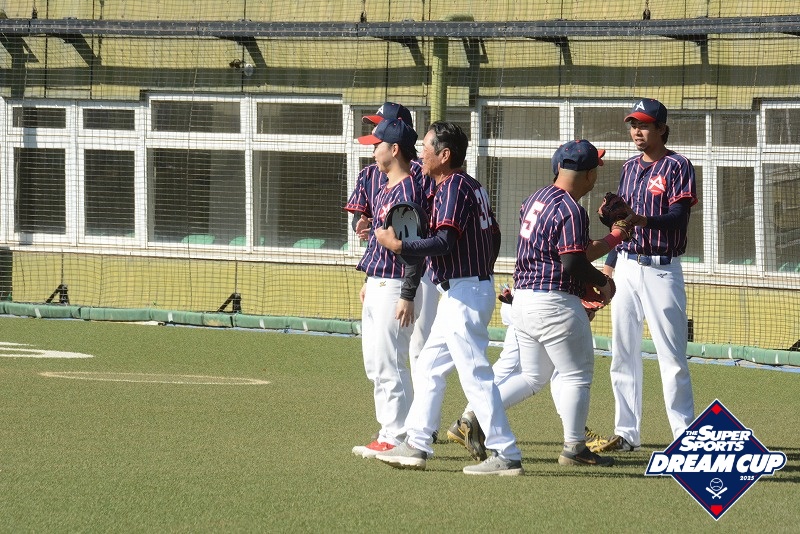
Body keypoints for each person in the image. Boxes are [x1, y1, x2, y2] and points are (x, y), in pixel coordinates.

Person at [372, 121, 524, 475]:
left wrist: (400, 245)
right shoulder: (469, 185)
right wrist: (480, 272)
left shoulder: (453, 186)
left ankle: (506, 452)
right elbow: (494, 235)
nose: (420, 153)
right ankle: (416, 444)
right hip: (464, 289)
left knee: (475, 375)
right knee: (428, 366)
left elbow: (444, 242)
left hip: (465, 292)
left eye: (426, 147)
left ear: (444, 155)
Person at [508, 139, 625, 467]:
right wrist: (602, 282)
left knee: (532, 377)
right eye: (595, 169)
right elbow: (572, 262)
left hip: (524, 299)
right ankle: (575, 447)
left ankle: (473, 416)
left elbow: (574, 252)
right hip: (555, 302)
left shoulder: (535, 198)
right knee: (576, 376)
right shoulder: (571, 209)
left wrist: (615, 237)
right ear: (588, 175)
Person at [594, 98, 697, 453]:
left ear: (661, 128)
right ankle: (626, 433)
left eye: (644, 125)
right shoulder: (628, 167)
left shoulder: (678, 165)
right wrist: (609, 263)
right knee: (622, 353)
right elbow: (622, 225)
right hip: (626, 265)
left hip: (661, 270)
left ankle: (684, 440)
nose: (637, 131)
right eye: (633, 125)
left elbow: (679, 218)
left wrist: (643, 220)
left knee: (672, 358)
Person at [346, 117, 428, 459]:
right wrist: (369, 278)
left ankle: (398, 435)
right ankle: (388, 432)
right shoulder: (386, 188)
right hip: (379, 281)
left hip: (395, 286)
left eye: (378, 144)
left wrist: (407, 294)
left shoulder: (407, 191)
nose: (374, 150)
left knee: (390, 363)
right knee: (377, 364)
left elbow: (413, 249)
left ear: (394, 150)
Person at [349, 103, 439, 375]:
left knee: (417, 348)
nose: (375, 132)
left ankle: (422, 404)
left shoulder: (421, 173)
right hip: (384, 269)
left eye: (381, 126)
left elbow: (423, 224)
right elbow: (364, 217)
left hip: (419, 268)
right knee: (380, 364)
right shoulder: (371, 174)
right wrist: (363, 226)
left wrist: (408, 292)